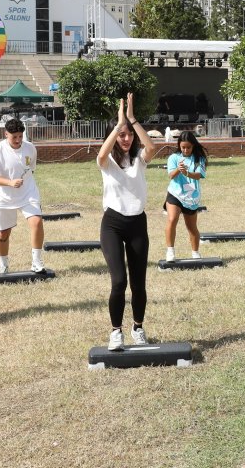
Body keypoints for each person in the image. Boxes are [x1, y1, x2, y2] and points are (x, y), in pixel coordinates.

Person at [98, 94, 158, 350]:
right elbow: (102, 153)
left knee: (138, 283)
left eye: (129, 135)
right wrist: (118, 123)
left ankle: (138, 327)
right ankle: (115, 332)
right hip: (112, 224)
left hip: (137, 225)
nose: (126, 138)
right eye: (122, 135)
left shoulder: (138, 162)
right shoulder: (107, 163)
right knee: (119, 281)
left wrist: (132, 120)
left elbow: (152, 148)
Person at [0, 118, 45, 274]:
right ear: (6, 134)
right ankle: (3, 264)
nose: (18, 140)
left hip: (28, 193)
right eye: (14, 137)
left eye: (21, 136)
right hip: (4, 196)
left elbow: (31, 169)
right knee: (4, 233)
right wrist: (10, 182)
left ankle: (36, 261)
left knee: (37, 222)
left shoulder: (30, 148)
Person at [164, 130, 207, 261]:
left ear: (193, 145)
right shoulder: (173, 158)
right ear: (179, 146)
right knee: (172, 219)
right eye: (183, 147)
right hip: (175, 193)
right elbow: (171, 175)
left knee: (192, 227)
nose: (186, 150)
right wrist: (179, 169)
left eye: (188, 147)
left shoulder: (199, 158)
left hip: (191, 195)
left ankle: (195, 253)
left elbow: (199, 175)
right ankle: (170, 251)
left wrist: (187, 173)